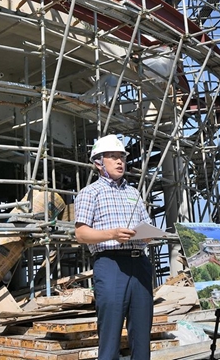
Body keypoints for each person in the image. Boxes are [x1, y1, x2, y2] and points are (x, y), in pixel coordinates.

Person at [74, 134, 154, 360]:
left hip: (140, 263)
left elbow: (145, 224)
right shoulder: (90, 193)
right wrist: (112, 234)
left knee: (141, 333)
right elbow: (81, 233)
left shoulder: (134, 193)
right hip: (110, 265)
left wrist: (148, 234)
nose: (120, 162)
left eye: (122, 157)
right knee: (110, 335)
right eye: (113, 157)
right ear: (98, 163)